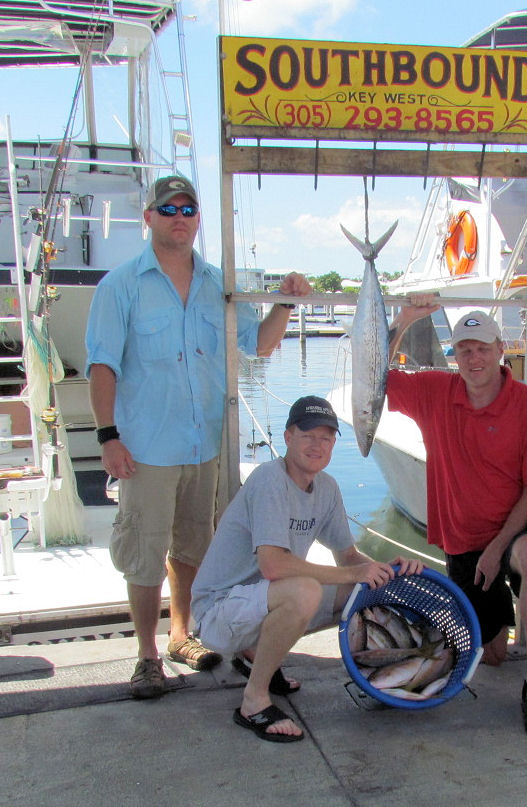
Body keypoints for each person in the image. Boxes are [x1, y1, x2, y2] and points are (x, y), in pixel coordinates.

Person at [85, 174, 311, 699]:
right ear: (149, 217)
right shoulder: (120, 286)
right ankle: (146, 656)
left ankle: (181, 635)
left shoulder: (217, 284)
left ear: (198, 218)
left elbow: (259, 344)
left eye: (188, 209)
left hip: (203, 445)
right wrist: (108, 436)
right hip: (146, 448)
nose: (179, 218)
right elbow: (102, 366)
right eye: (168, 209)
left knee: (193, 546)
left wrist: (284, 302)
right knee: (144, 552)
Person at [191, 395, 424, 743]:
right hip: (218, 611)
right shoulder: (270, 480)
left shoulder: (326, 487)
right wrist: (353, 574)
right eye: (308, 436)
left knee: (363, 589)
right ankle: (253, 702)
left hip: (258, 604)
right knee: (304, 590)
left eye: (326, 438)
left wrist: (384, 569)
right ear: (288, 437)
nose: (317, 445)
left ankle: (256, 657)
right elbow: (273, 566)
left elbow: (349, 558)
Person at [385, 300, 527, 736]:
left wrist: (498, 548)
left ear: (500, 349)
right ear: (455, 355)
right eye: (465, 349)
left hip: (514, 532)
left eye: (482, 348)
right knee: (492, 655)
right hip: (463, 541)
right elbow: (375, 378)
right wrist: (403, 321)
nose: (474, 358)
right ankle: (499, 624)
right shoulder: (434, 391)